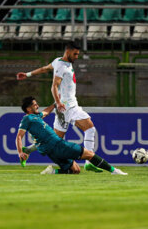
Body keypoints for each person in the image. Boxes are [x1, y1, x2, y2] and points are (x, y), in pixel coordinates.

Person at [16, 41, 102, 172]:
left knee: (54, 140)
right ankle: (88, 161)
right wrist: (59, 102)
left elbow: (44, 69)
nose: (77, 57)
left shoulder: (57, 61)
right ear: (68, 51)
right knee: (90, 128)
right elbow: (54, 86)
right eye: (75, 54)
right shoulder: (62, 66)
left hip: (63, 107)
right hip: (68, 106)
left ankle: (29, 150)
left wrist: (27, 74)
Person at [16, 96, 128, 175]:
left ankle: (52, 172)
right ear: (28, 108)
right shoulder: (27, 118)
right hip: (57, 145)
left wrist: (55, 104)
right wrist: (20, 151)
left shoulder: (37, 116)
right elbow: (19, 136)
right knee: (89, 154)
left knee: (76, 170)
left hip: (51, 151)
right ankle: (114, 171)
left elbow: (46, 112)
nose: (37, 106)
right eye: (35, 105)